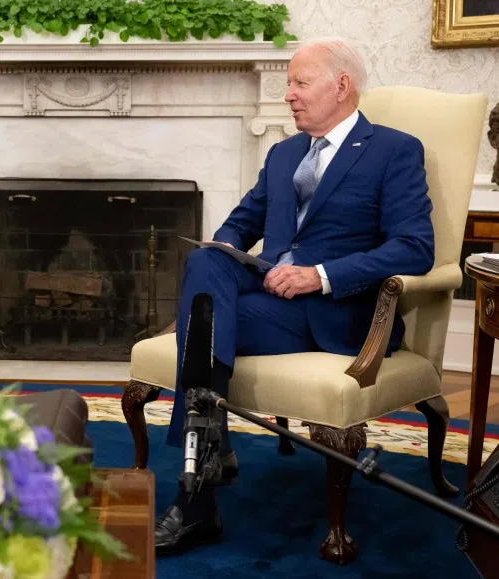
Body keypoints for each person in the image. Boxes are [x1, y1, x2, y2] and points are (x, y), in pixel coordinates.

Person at [155, 37, 436, 553]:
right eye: (289, 83)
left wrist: (320, 274)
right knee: (205, 261)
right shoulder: (284, 154)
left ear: (341, 86)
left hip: (332, 311)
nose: (288, 95)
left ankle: (197, 496)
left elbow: (415, 248)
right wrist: (229, 247)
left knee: (203, 319)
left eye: (300, 83)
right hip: (266, 288)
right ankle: (210, 448)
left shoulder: (394, 150)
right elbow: (242, 222)